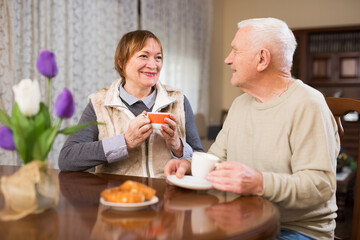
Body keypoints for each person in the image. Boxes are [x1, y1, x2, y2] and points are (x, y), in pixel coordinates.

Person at [164, 18, 340, 240]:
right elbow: (216, 158)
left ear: (262, 59)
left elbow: (320, 185)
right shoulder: (240, 105)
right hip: (238, 220)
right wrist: (187, 166)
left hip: (292, 229)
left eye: (235, 51)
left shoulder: (309, 103)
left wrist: (259, 183)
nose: (228, 60)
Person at [59, 30, 203, 178]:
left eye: (158, 57)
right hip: (120, 196)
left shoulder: (179, 100)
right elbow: (67, 158)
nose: (153, 65)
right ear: (121, 62)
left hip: (167, 195)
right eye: (144, 56)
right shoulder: (99, 103)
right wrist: (125, 142)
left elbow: (201, 158)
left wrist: (177, 146)